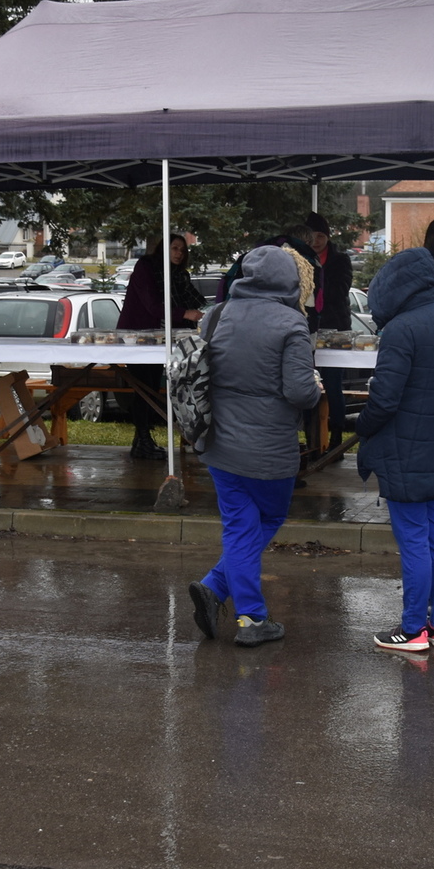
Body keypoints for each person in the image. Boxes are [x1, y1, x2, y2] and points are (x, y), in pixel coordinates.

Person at [187, 245, 321, 647]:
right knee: (266, 518)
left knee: (239, 525)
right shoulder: (292, 323)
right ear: (290, 280)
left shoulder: (217, 315)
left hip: (219, 443)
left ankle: (215, 587)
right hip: (270, 449)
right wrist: (315, 389)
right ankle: (252, 619)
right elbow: (300, 392)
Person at [357, 247, 434, 652]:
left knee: (414, 542)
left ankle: (412, 629)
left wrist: (360, 426)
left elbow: (384, 400)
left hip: (404, 450)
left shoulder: (401, 329)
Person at [118, 233, 205, 460]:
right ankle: (143, 439)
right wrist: (185, 313)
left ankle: (142, 442)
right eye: (174, 248)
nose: (178, 253)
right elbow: (153, 306)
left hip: (160, 337)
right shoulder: (147, 268)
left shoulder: (178, 275)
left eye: (182, 250)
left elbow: (189, 301)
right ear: (163, 249)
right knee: (143, 387)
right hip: (136, 336)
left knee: (151, 387)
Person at [306, 211, 353, 448]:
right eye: (311, 236)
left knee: (333, 383)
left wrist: (316, 290)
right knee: (307, 381)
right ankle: (311, 436)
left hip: (336, 328)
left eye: (320, 235)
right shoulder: (301, 258)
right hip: (309, 329)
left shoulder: (340, 260)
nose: (316, 241)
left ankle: (336, 435)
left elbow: (340, 290)